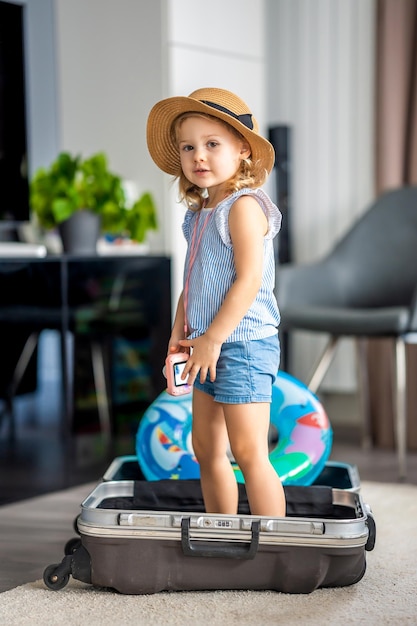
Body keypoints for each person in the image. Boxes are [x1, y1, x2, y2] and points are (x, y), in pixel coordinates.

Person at [146, 87, 286, 517]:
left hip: (241, 345)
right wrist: (180, 335)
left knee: (248, 451)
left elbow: (248, 280)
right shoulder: (199, 213)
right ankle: (221, 531)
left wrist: (213, 339)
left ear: (243, 150)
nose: (198, 157)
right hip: (205, 343)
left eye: (212, 145)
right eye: (189, 147)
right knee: (205, 448)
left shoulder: (243, 207)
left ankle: (278, 548)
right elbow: (193, 285)